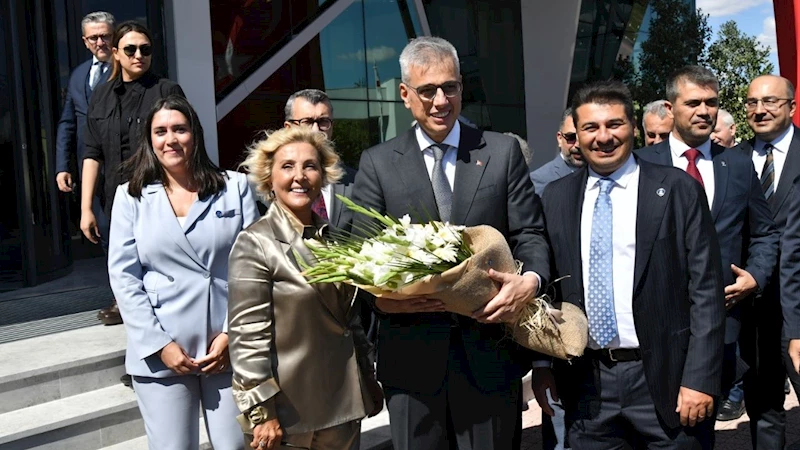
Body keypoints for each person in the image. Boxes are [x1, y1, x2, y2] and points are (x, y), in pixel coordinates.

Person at [351, 36, 550, 450]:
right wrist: (381, 301)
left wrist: (529, 281)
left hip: (491, 354)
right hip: (412, 364)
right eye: (427, 91)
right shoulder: (377, 163)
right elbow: (360, 253)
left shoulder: (501, 151)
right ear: (405, 95)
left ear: (462, 86)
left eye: (451, 87)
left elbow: (530, 233)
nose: (441, 101)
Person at [534, 80, 726, 449]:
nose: (603, 137)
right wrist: (543, 366)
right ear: (576, 132)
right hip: (587, 385)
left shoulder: (677, 189)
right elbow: (549, 292)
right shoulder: (556, 198)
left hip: (666, 380)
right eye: (590, 127)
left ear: (633, 127)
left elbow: (706, 291)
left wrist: (700, 379)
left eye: (614, 125)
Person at [108, 95, 259, 449]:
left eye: (180, 129)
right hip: (162, 349)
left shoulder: (234, 187)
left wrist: (231, 335)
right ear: (149, 139)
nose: (170, 139)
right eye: (160, 131)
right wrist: (160, 345)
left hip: (227, 346)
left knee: (235, 445)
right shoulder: (130, 197)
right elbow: (124, 277)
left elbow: (253, 267)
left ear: (195, 134)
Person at [636, 66, 779, 427]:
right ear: (670, 109)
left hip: (719, 323)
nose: (704, 111)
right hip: (654, 324)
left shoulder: (738, 164)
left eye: (712, 102)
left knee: (700, 429)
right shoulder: (639, 164)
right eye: (694, 102)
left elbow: (765, 233)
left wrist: (755, 277)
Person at [228, 126, 383, 450]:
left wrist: (368, 381)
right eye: (287, 166)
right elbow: (247, 337)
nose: (300, 176)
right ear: (268, 177)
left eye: (310, 166)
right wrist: (261, 412)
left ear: (323, 176)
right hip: (288, 421)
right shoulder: (254, 243)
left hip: (342, 411)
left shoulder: (331, 239)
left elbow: (349, 323)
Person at [82, 20, 185, 326]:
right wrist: (86, 207)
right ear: (115, 53)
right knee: (123, 260)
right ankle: (122, 304)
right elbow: (92, 152)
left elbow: (182, 143)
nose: (138, 54)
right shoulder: (101, 95)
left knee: (160, 264)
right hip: (117, 196)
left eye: (145, 49)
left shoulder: (166, 90)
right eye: (130, 49)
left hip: (159, 192)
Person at [741, 74, 800, 447]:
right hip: (755, 313)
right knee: (764, 410)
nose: (759, 110)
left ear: (791, 107)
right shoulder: (732, 162)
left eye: (770, 102)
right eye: (752, 102)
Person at [55, 11, 114, 196]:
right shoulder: (78, 74)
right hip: (87, 169)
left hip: (119, 168)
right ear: (85, 42)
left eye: (105, 36)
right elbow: (68, 123)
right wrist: (62, 166)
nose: (100, 42)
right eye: (93, 37)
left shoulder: (127, 72)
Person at [530, 108, 583, 193]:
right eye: (571, 137)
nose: (578, 145)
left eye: (582, 137)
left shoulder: (603, 174)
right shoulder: (540, 179)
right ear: (560, 139)